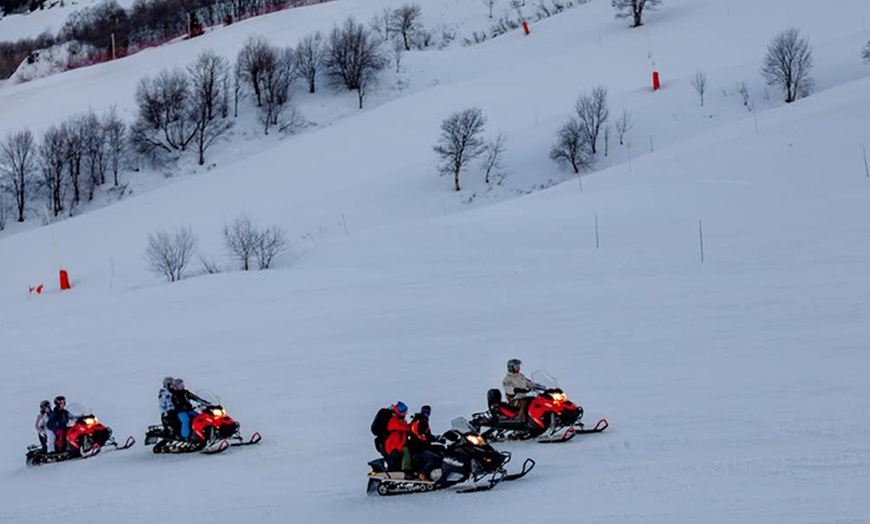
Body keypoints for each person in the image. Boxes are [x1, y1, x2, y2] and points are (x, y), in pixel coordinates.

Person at [383, 401, 415, 479]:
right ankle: (407, 471)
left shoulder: (398, 419)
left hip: (399, 443)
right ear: (401, 412)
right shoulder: (394, 420)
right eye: (405, 412)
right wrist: (414, 424)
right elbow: (406, 428)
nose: (406, 413)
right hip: (393, 445)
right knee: (406, 450)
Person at [408, 405, 440, 481]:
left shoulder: (418, 420)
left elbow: (424, 435)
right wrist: (434, 439)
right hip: (418, 449)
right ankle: (423, 473)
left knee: (439, 450)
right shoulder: (422, 421)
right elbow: (422, 436)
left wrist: (435, 438)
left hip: (417, 447)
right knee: (435, 458)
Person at [503, 359, 537, 424]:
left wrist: (540, 387)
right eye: (516, 367)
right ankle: (522, 420)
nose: (518, 368)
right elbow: (508, 388)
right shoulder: (507, 379)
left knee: (535, 400)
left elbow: (529, 384)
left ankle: (536, 419)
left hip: (523, 396)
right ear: (511, 368)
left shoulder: (520, 376)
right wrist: (515, 390)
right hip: (514, 399)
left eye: (518, 367)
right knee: (525, 402)